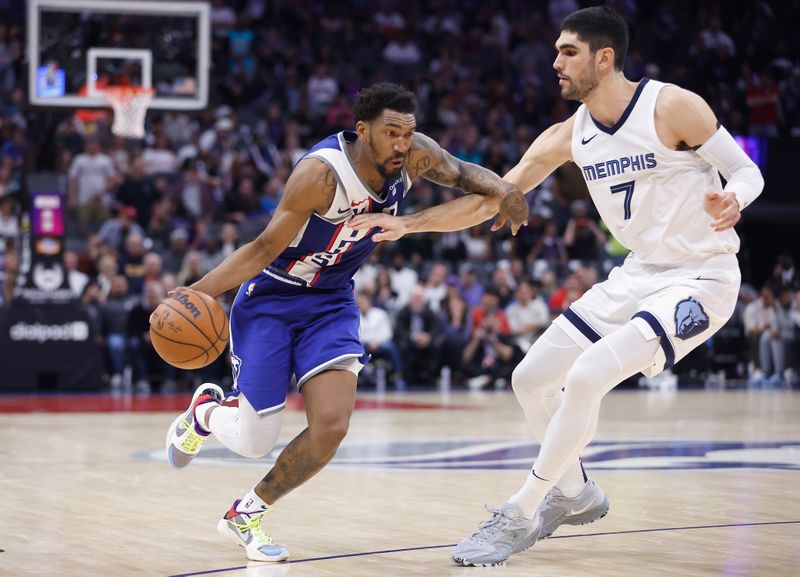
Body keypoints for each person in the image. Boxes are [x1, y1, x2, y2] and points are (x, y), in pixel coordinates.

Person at [349, 7, 763, 566]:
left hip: (703, 277)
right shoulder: (568, 135)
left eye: (568, 52)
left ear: (604, 57)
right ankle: (575, 492)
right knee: (530, 378)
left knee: (589, 374)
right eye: (556, 52)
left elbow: (748, 171)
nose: (556, 62)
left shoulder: (671, 106)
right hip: (639, 274)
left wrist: (733, 199)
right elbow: (490, 198)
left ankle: (520, 511)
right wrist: (409, 224)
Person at [161, 82, 528, 563]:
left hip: (331, 302)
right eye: (391, 132)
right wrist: (197, 292)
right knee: (254, 441)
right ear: (362, 130)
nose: (402, 143)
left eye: (408, 132)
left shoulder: (415, 156)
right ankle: (205, 412)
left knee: (331, 428)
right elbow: (261, 249)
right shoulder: (319, 175)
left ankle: (245, 513)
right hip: (272, 299)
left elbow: (461, 174)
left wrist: (505, 190)